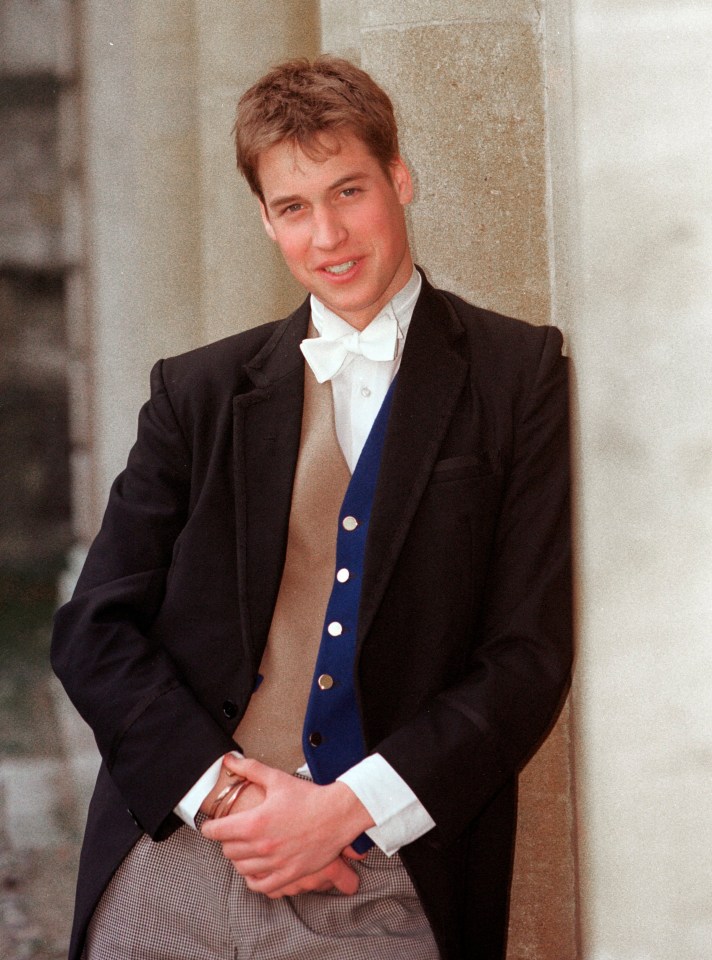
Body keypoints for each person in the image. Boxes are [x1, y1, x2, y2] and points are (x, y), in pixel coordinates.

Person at [52, 56, 572, 960]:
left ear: (399, 179)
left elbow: (527, 656)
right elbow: (94, 628)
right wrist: (224, 795)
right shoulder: (198, 391)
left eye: (349, 191)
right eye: (294, 207)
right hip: (176, 853)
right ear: (265, 219)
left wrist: (343, 810)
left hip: (384, 873)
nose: (327, 234)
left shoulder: (517, 375)